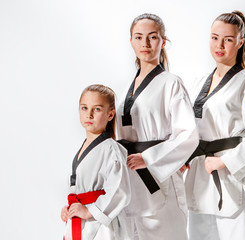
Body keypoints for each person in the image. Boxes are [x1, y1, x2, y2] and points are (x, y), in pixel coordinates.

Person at [184, 11, 245, 240]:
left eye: (228, 39)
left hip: (233, 178)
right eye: (215, 37)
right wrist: (184, 156)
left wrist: (225, 161)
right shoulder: (198, 82)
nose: (220, 45)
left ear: (240, 42)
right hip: (200, 177)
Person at [116, 13, 198, 240]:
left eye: (152, 37)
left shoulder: (171, 83)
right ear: (131, 41)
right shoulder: (124, 90)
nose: (145, 43)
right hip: (131, 184)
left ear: (163, 42)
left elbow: (188, 135)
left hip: (158, 181)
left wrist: (150, 158)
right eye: (138, 37)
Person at [61, 84, 131, 240]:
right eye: (84, 108)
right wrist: (68, 208)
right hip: (82, 220)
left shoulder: (111, 149)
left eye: (97, 109)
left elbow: (120, 189)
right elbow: (78, 186)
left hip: (101, 226)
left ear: (111, 114)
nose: (89, 114)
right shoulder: (84, 148)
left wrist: (90, 211)